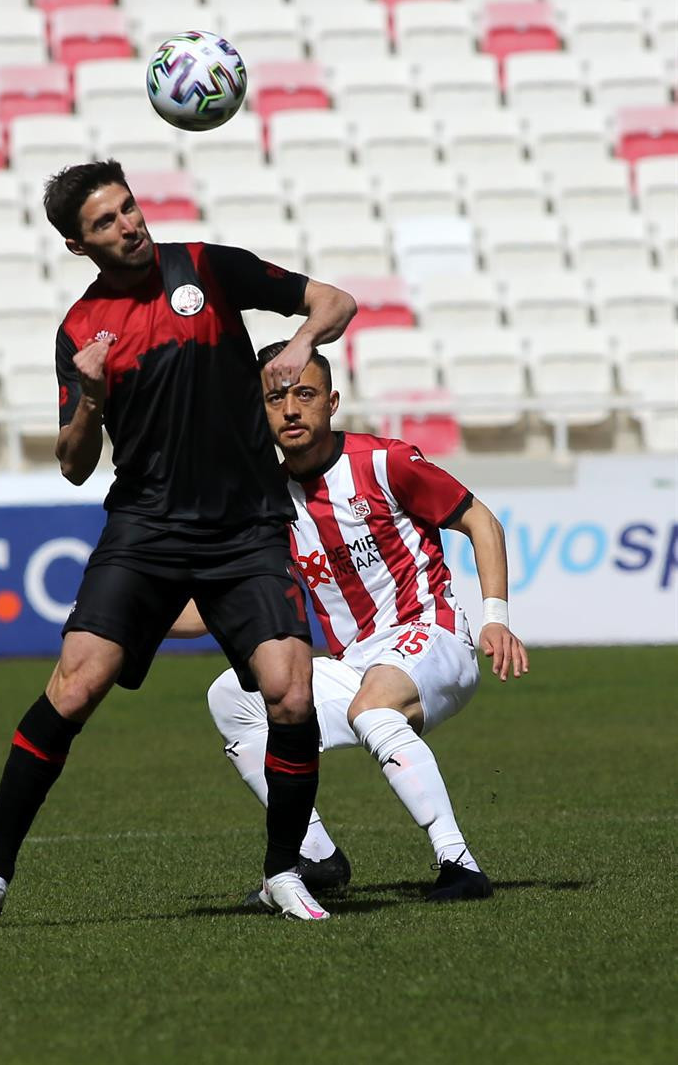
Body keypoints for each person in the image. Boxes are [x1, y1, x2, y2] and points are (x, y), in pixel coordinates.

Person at [0, 161, 357, 928]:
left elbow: (336, 300)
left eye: (129, 209)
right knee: (72, 689)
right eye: (106, 222)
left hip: (244, 527)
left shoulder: (205, 266)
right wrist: (92, 394)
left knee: (291, 692)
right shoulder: (81, 330)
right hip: (147, 529)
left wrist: (301, 340)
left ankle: (283, 871)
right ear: (79, 244)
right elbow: (72, 466)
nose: (128, 226)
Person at [172, 341, 529, 904]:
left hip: (430, 637)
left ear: (331, 402)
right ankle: (315, 858)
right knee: (231, 699)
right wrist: (132, 623)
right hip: (353, 661)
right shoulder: (265, 500)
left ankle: (459, 865)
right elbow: (218, 602)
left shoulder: (384, 462)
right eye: (275, 398)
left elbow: (480, 521)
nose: (290, 409)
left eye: (304, 394)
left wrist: (495, 617)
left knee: (374, 706)